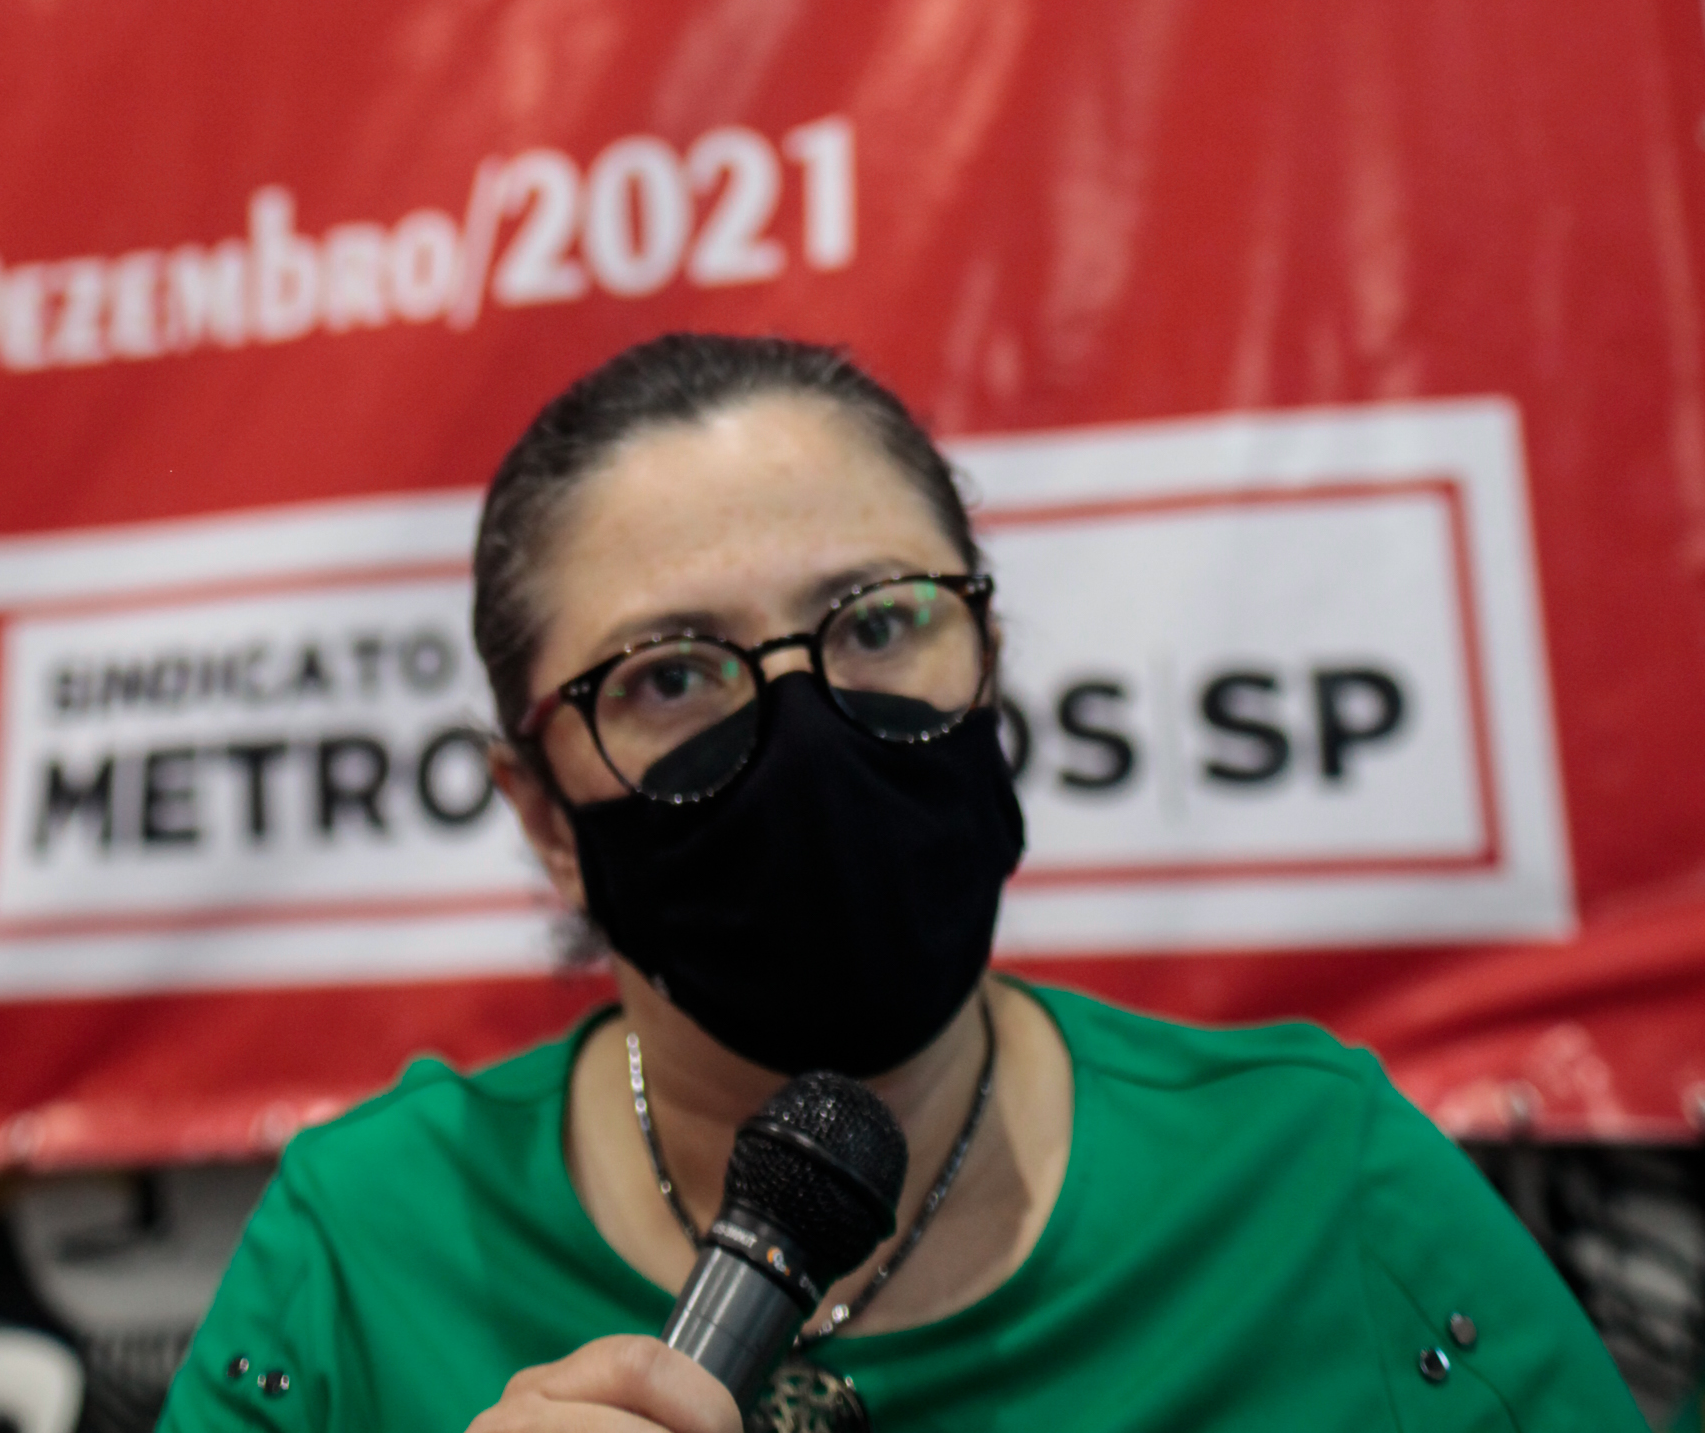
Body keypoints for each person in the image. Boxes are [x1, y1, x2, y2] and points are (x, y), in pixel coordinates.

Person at [160, 334, 1638, 1433]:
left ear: (989, 666)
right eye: (671, 673)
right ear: (546, 819)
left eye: (877, 624)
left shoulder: (1320, 1187)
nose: (806, 730)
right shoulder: (365, 1253)